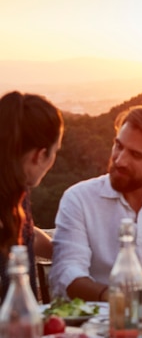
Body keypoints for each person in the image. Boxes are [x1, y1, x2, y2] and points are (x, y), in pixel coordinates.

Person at [50, 101, 142, 301]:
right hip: (94, 321)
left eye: (136, 155)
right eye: (118, 146)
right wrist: (115, 298)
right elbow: (68, 273)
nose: (120, 160)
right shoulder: (79, 198)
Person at [0, 91, 63, 301]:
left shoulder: (16, 190)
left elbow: (25, 234)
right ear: (39, 155)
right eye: (55, 152)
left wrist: (65, 252)